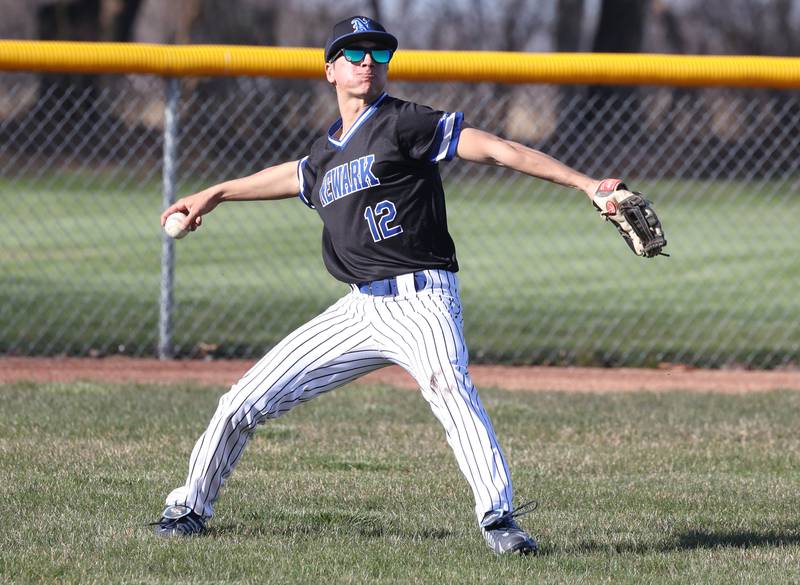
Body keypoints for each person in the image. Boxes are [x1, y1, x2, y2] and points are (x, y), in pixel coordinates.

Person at [153, 15, 603, 556]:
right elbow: (292, 175)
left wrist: (586, 184)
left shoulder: (404, 123)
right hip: (359, 309)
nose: (368, 61)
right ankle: (188, 510)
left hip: (424, 301)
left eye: (378, 53)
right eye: (354, 52)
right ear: (330, 71)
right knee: (240, 402)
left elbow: (497, 148)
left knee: (449, 388)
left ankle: (499, 520)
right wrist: (216, 193)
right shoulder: (325, 155)